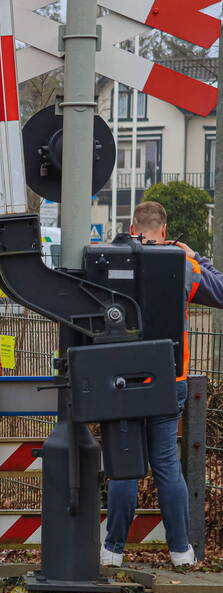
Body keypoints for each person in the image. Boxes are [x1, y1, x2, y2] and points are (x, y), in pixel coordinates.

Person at [102, 201, 223, 568]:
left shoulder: (111, 258)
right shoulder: (181, 263)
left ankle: (112, 552)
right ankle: (181, 551)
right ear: (165, 231)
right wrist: (198, 258)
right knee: (167, 465)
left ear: (132, 227)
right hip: (170, 379)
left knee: (125, 464)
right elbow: (220, 291)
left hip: (122, 380)